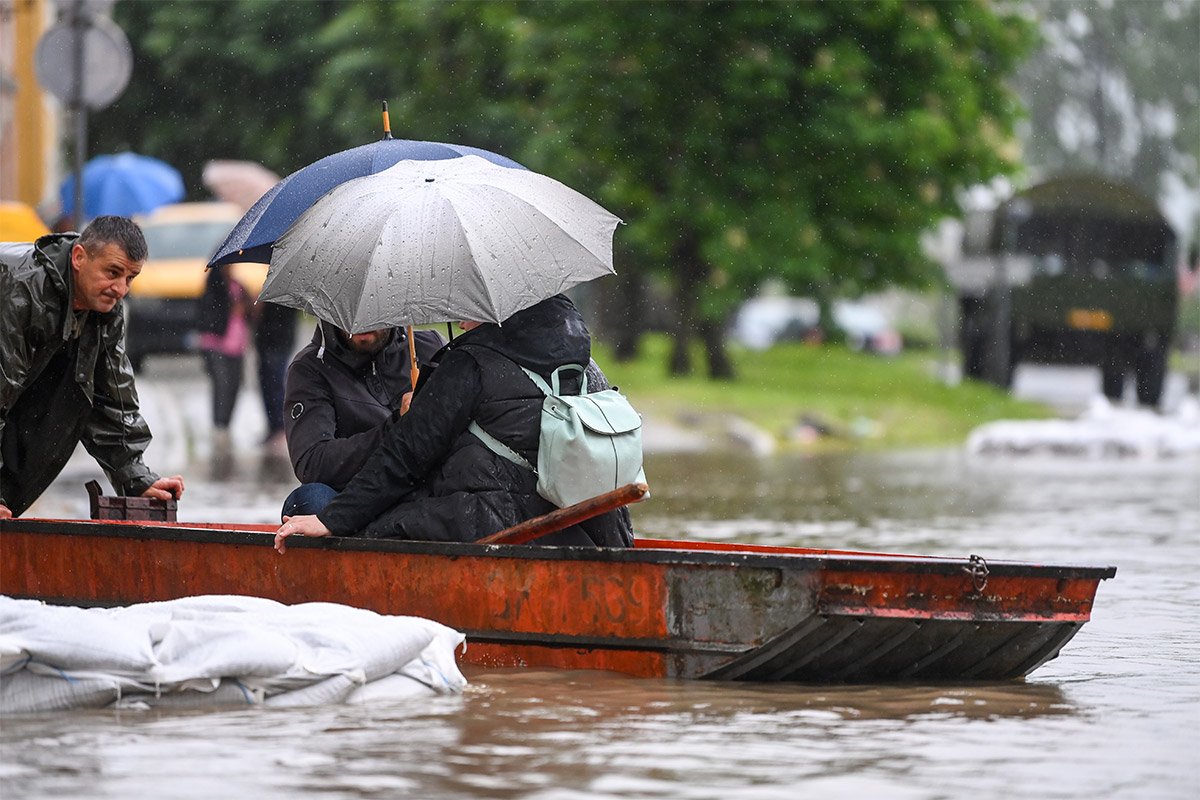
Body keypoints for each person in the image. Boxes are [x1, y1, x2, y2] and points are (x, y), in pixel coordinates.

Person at [274, 294, 633, 552]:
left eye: (470, 305)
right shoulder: (583, 362)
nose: (460, 321)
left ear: (498, 306)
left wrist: (333, 521)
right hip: (601, 524)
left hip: (495, 514)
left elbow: (406, 456)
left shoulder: (465, 361)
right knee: (313, 499)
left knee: (361, 530)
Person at [0, 216, 185, 519]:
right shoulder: (23, 289)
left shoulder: (105, 308)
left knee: (74, 393)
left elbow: (111, 395)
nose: (121, 288)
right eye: (113, 272)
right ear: (78, 257)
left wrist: (136, 477)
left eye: (130, 278)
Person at [280, 322, 445, 518]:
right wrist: (394, 427)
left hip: (426, 494)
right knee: (310, 500)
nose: (360, 324)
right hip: (354, 502)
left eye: (373, 314)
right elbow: (313, 463)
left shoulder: (431, 347)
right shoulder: (310, 368)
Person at [196, 263, 252, 449]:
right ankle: (218, 425)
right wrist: (229, 307)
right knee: (221, 385)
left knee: (234, 386)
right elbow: (207, 314)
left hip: (237, 345)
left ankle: (226, 424)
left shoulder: (239, 286)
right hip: (216, 344)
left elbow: (251, 312)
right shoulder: (213, 288)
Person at [253, 301, 297, 453]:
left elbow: (281, 318)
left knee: (275, 386)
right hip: (268, 342)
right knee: (268, 386)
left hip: (277, 343)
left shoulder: (285, 294)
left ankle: (279, 428)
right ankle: (274, 427)